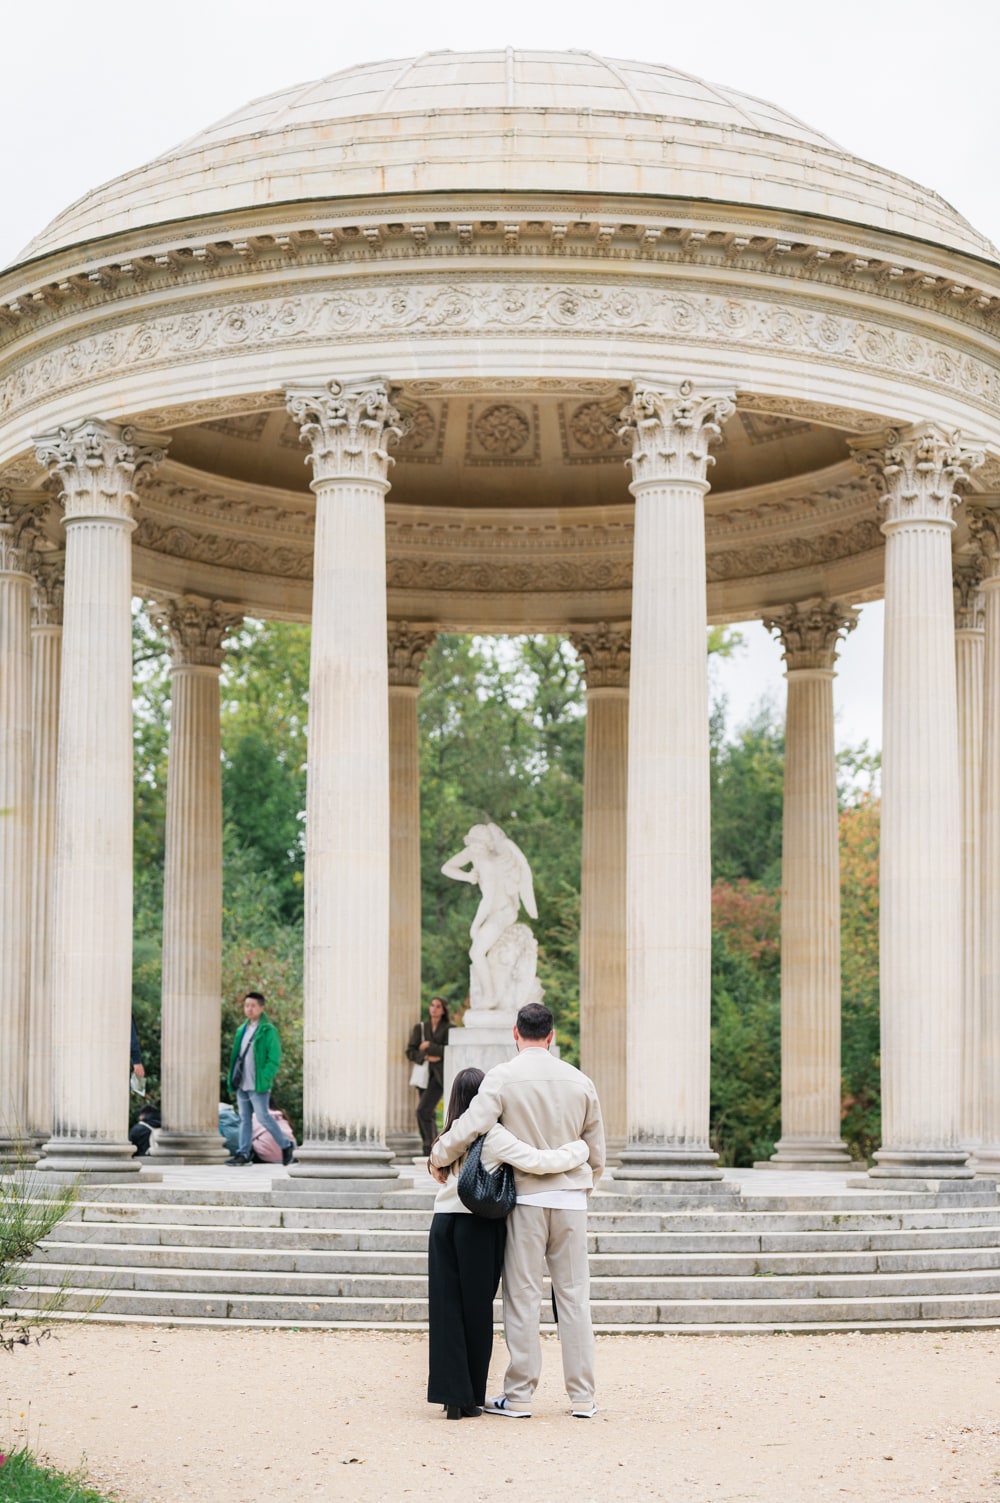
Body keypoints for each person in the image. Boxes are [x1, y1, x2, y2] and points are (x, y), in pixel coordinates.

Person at [430, 1001, 605, 1420]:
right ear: (551, 1035)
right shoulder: (581, 1081)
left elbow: (470, 1127)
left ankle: (521, 1394)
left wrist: (439, 1154)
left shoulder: (503, 1078)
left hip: (525, 1201)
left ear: (515, 1033)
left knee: (522, 1296)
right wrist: (584, 1182)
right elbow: (595, 1150)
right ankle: (582, 1397)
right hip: (570, 1200)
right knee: (574, 1296)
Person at [226, 991, 295, 1167]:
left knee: (263, 1117)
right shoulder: (241, 1030)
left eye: (253, 1006)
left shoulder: (268, 1030)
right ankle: (243, 1153)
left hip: (258, 1083)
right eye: (246, 1005)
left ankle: (286, 1145)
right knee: (245, 1118)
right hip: (242, 1082)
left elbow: (274, 1057)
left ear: (261, 1008)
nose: (249, 1009)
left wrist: (265, 1077)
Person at [406, 996, 450, 1156]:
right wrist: (425, 1057)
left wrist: (429, 1047)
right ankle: (433, 1147)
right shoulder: (421, 1028)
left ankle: (428, 1147)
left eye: (438, 1006)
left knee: (422, 1111)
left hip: (438, 1077)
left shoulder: (449, 1028)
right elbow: (410, 1051)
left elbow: (449, 1050)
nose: (434, 1008)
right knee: (428, 1113)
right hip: (423, 1077)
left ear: (444, 1010)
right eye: (432, 1005)